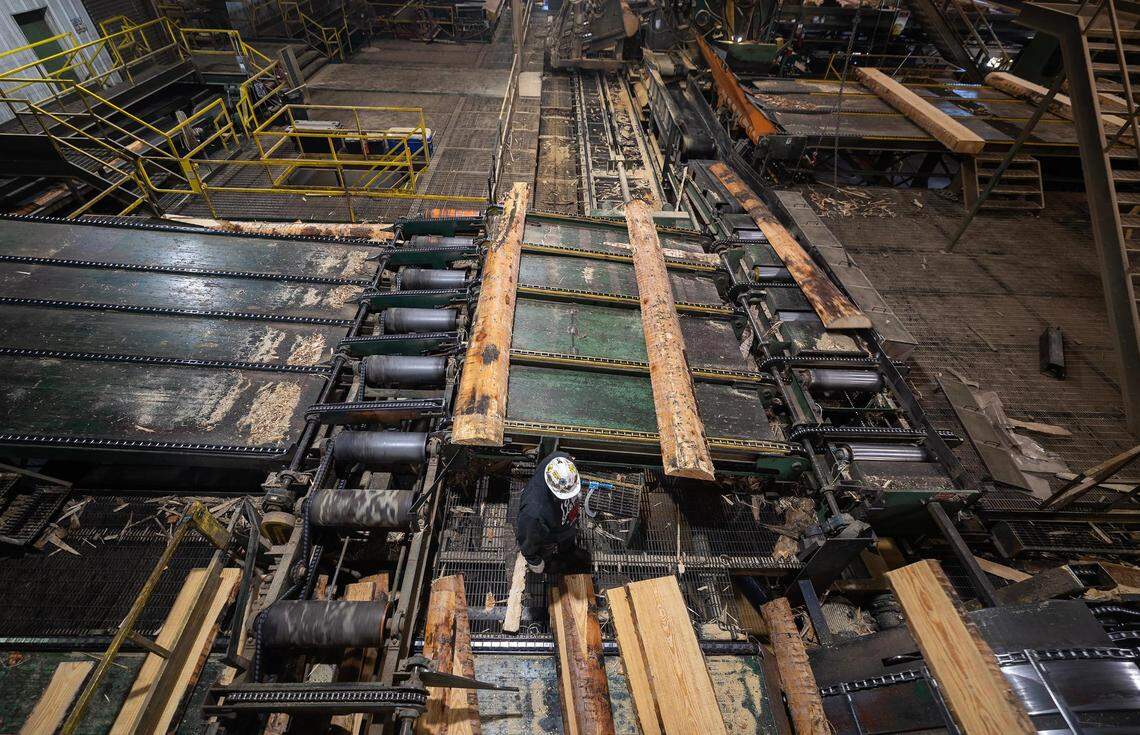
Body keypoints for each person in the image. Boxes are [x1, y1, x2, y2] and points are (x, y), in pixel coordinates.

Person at [515, 452, 590, 574]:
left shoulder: (561, 461)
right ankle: (549, 563)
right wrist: (533, 560)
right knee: (546, 550)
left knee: (568, 538)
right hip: (550, 534)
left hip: (567, 523)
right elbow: (528, 538)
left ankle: (568, 551)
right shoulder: (534, 511)